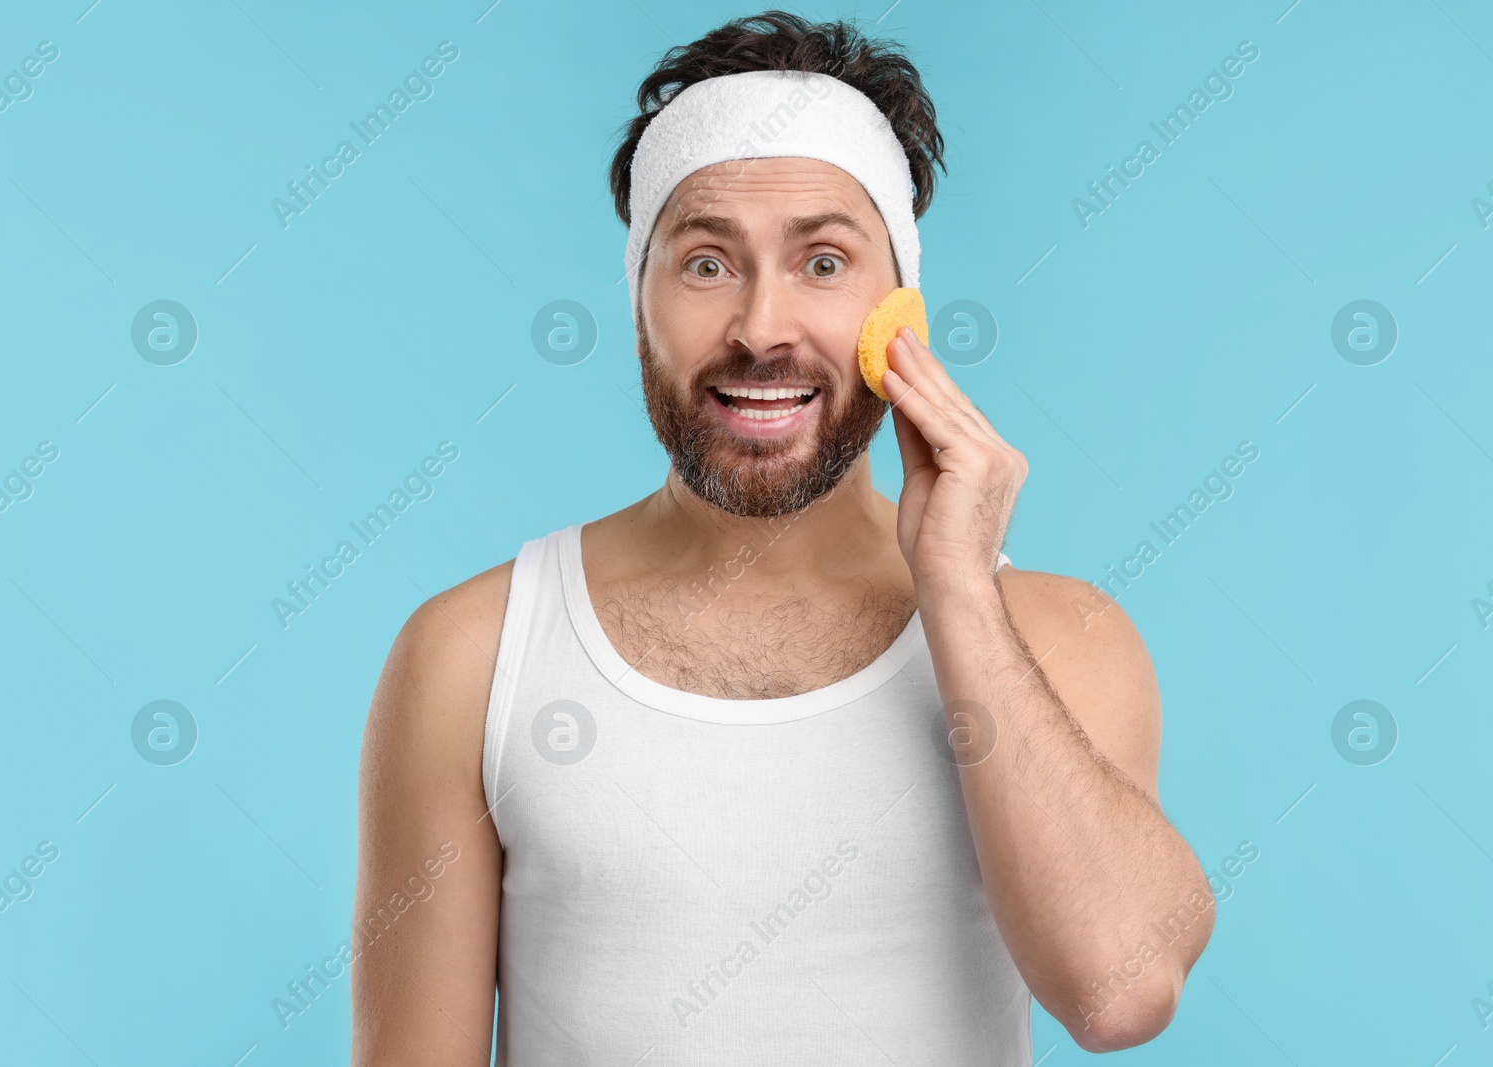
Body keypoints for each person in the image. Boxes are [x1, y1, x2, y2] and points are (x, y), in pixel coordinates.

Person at [351, 11, 1212, 1064]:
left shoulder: (1059, 633)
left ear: (898, 310)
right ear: (638, 300)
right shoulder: (470, 655)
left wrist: (956, 588)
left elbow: (1119, 994)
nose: (761, 328)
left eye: (822, 261)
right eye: (707, 263)